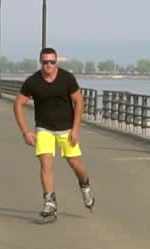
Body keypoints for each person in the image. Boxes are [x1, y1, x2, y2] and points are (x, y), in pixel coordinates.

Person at [13, 47, 94, 218]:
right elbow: (18, 104)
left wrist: (76, 128)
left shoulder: (67, 78)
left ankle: (85, 185)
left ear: (56, 62)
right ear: (40, 62)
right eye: (45, 62)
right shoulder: (33, 81)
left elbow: (79, 101)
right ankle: (50, 201)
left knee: (75, 164)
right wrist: (25, 132)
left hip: (67, 129)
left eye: (52, 62)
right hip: (44, 128)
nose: (48, 65)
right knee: (46, 164)